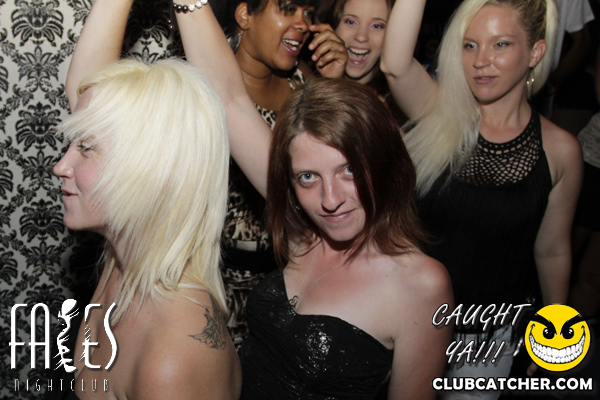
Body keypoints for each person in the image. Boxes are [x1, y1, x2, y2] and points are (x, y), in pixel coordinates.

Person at [174, 5, 454, 399]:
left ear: (383, 163)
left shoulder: (422, 285)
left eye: (349, 170)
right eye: (308, 177)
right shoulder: (304, 230)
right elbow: (229, 98)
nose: (330, 200)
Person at [381, 0, 583, 398]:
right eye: (469, 45)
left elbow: (553, 251)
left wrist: (558, 340)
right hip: (403, 322)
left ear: (535, 53)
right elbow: (395, 65)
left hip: (485, 343)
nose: (480, 61)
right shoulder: (439, 114)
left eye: (500, 44)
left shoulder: (560, 151)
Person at [51, 58, 241, 399]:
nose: (61, 166)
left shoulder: (172, 364)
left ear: (148, 167)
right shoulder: (122, 261)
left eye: (86, 147)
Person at [206, 0, 348, 347]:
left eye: (308, 13)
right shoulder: (205, 92)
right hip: (218, 288)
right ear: (245, 15)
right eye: (287, 9)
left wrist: (335, 87)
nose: (303, 23)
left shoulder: (306, 83)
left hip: (299, 283)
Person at [324, 0, 406, 124]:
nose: (361, 36)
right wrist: (329, 84)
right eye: (351, 22)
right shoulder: (303, 83)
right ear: (333, 27)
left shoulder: (401, 109)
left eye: (377, 26)